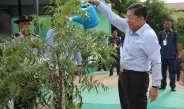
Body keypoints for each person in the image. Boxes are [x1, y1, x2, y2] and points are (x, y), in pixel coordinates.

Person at [88, 1, 162, 109]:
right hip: (123, 76)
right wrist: (98, 3)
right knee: (125, 106)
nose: (127, 20)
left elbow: (157, 61)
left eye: (130, 17)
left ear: (141, 19)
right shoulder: (128, 27)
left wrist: (155, 86)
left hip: (138, 79)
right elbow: (112, 17)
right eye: (127, 17)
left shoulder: (149, 36)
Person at [12, 15, 39, 109]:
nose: (27, 26)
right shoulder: (13, 39)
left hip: (33, 75)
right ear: (19, 26)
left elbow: (41, 56)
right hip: (19, 74)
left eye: (29, 24)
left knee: (31, 99)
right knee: (19, 101)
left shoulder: (36, 39)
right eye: (24, 24)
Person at [158, 19, 180, 91]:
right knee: (162, 71)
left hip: (172, 55)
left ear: (171, 25)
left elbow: (177, 43)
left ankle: (173, 86)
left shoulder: (174, 33)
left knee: (172, 71)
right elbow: (157, 44)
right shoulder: (161, 33)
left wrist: (178, 53)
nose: (167, 25)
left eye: (168, 24)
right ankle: (163, 85)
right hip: (162, 56)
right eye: (166, 24)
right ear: (164, 25)